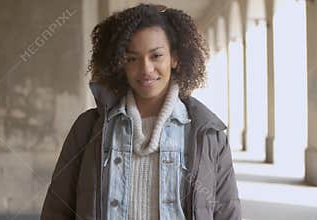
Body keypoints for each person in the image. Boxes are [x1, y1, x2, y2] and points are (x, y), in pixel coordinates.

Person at [41, 3, 241, 220]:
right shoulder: (88, 130)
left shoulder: (209, 134)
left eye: (156, 56)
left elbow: (227, 213)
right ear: (120, 63)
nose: (146, 69)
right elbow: (57, 210)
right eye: (132, 58)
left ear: (174, 58)